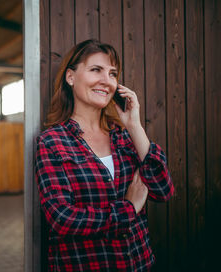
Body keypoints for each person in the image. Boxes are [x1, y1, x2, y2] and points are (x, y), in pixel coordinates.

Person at [35, 39, 174, 271]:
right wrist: (129, 207)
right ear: (70, 77)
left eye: (112, 73)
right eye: (95, 70)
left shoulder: (124, 137)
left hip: (138, 263)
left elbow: (163, 190)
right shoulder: (52, 142)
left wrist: (135, 126)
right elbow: (62, 218)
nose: (106, 81)